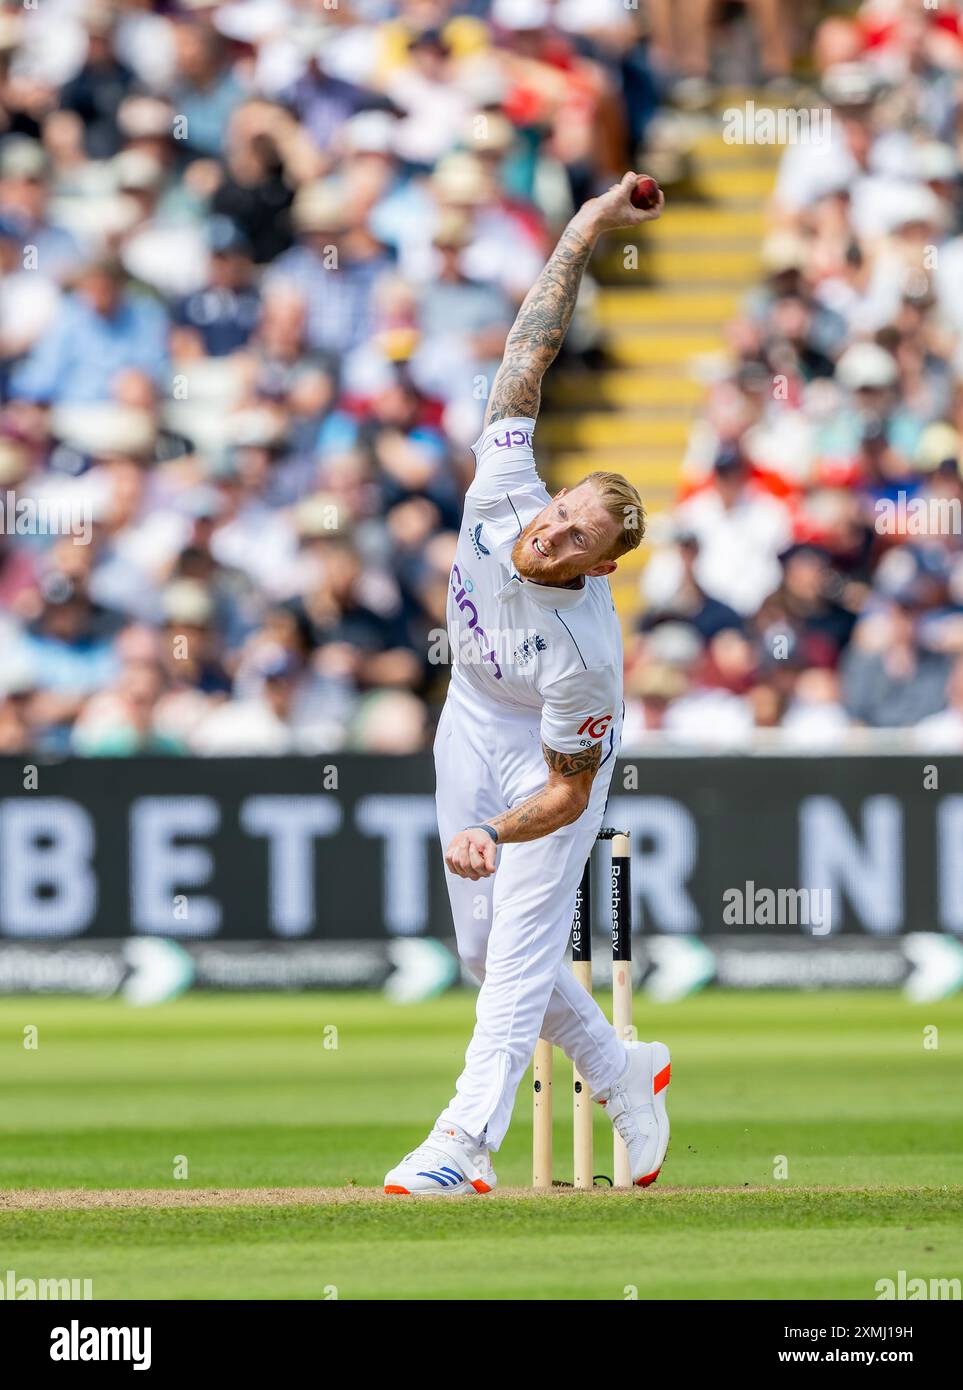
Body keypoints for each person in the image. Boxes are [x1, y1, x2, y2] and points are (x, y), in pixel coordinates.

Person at [384, 172, 671, 1197]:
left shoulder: (586, 650)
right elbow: (530, 347)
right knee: (477, 949)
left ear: (598, 568)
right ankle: (620, 1067)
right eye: (561, 512)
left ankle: (463, 1146)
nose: (548, 531)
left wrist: (495, 833)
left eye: (573, 539)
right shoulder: (506, 481)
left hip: (553, 772)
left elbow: (562, 788)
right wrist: (589, 223)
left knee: (514, 954)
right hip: (468, 716)